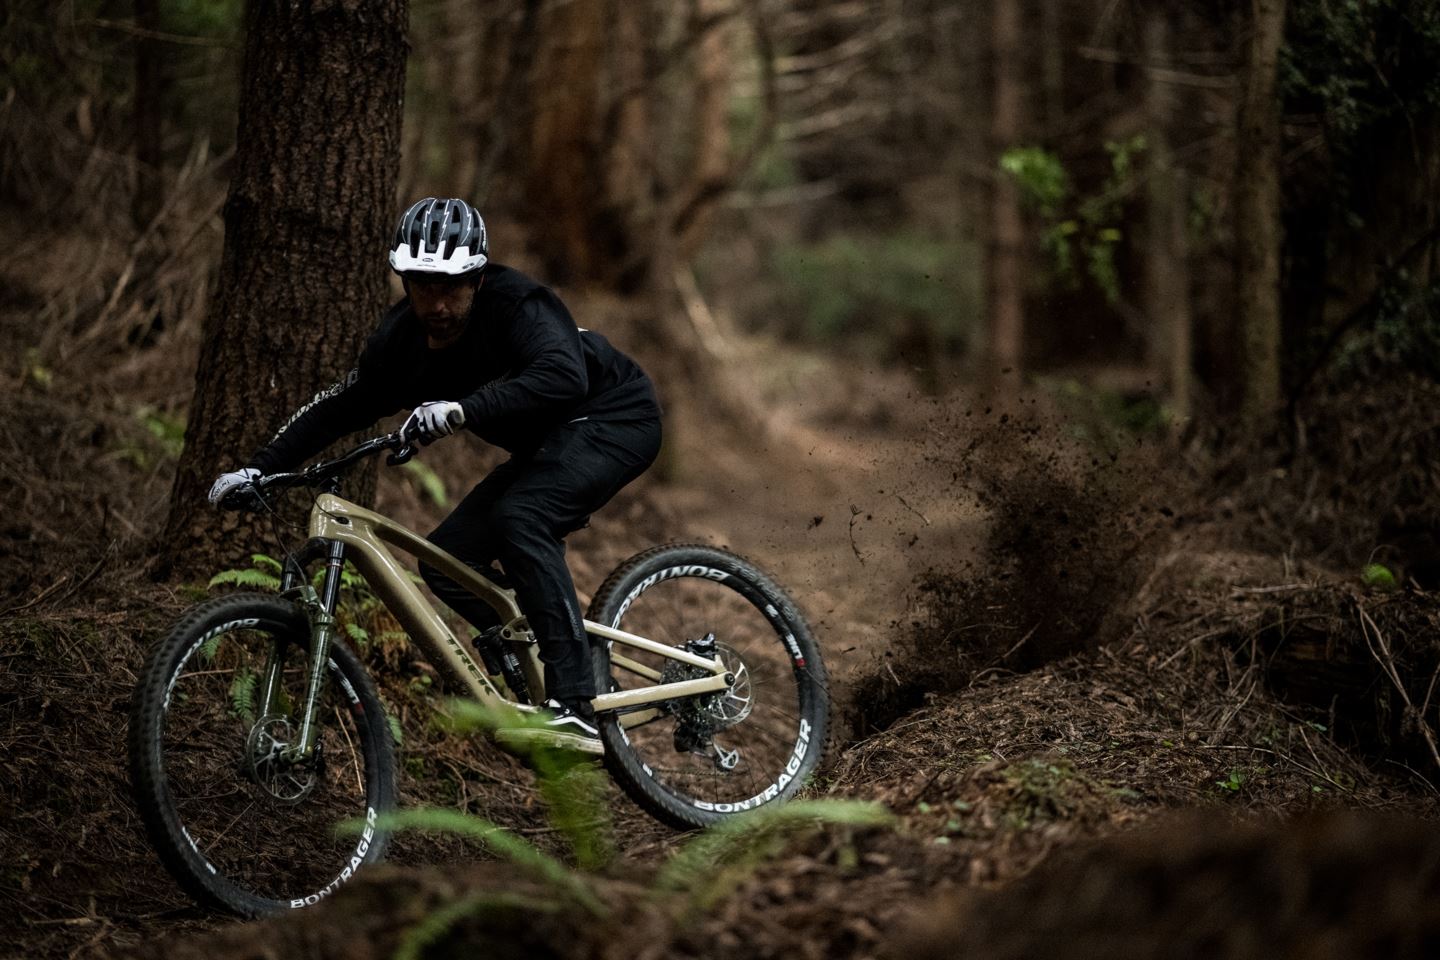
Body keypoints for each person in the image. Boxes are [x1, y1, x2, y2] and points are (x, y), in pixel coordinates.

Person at [207, 197, 663, 752]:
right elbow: (340, 405)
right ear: (404, 280)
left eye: (451, 287)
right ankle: (548, 640)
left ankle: (576, 703)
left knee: (523, 517)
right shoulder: (399, 342)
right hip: (548, 444)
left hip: (614, 417)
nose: (437, 303)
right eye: (423, 286)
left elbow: (563, 376)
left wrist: (463, 408)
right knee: (446, 564)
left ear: (477, 278)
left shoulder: (519, 304)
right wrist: (262, 467)